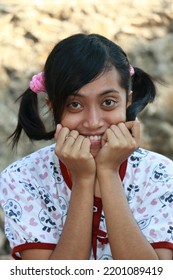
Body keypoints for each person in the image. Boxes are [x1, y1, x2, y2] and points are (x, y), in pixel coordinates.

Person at [0, 33, 173, 260]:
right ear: (53, 107)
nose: (93, 122)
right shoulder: (22, 178)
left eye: (108, 102)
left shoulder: (160, 174)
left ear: (128, 101)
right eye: (75, 104)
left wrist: (108, 173)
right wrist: (83, 180)